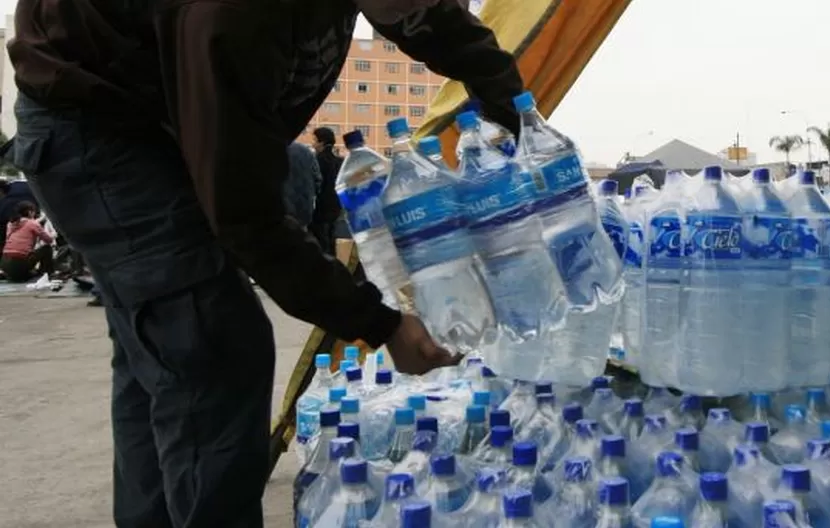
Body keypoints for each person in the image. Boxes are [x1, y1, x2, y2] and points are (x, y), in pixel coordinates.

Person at [7, 1, 523, 526]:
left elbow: (433, 22)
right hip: (96, 124)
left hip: (151, 117)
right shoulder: (235, 14)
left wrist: (516, 114)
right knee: (210, 341)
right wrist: (381, 324)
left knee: (164, 350)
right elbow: (246, 215)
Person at [310, 127, 344, 255]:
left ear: (321, 142)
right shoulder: (339, 161)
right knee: (331, 239)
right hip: (336, 206)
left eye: (314, 140)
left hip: (320, 207)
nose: (313, 144)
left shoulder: (317, 160)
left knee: (320, 240)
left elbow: (315, 183)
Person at [1, 201, 54, 282]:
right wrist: (53, 234)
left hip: (4, 262)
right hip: (18, 263)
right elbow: (49, 240)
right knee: (47, 248)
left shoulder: (10, 223)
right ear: (30, 212)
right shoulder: (32, 223)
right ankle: (45, 273)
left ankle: (14, 275)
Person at [283, 141, 322, 229]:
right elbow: (317, 179)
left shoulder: (266, 150)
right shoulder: (305, 151)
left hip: (276, 213)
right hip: (302, 211)